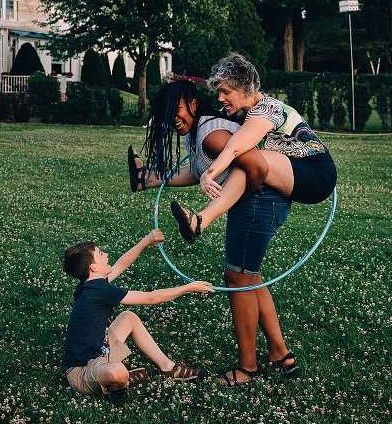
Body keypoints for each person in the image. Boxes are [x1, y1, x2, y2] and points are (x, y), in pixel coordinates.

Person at [128, 80, 300, 386]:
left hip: (260, 199)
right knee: (250, 275)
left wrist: (242, 202)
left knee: (238, 277)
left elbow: (256, 167)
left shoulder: (212, 135)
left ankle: (247, 368)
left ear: (193, 105)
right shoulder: (200, 132)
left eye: (176, 111)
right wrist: (150, 179)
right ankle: (280, 353)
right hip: (255, 201)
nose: (171, 120)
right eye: (166, 115)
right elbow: (199, 171)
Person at [157, 53, 337, 245]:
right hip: (291, 168)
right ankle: (197, 219)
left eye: (226, 92)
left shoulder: (267, 110)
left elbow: (234, 148)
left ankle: (201, 220)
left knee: (250, 160)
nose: (220, 98)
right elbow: (210, 122)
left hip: (316, 174)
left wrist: (209, 174)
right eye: (218, 92)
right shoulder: (235, 110)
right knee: (250, 160)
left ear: (245, 88)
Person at [62, 229, 214, 395]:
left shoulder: (90, 285)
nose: (106, 254)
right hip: (82, 372)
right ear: (94, 267)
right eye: (100, 253)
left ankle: (168, 368)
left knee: (128, 317)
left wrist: (146, 241)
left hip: (100, 352)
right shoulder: (98, 290)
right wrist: (189, 288)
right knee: (117, 371)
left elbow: (121, 264)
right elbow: (151, 298)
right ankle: (124, 380)